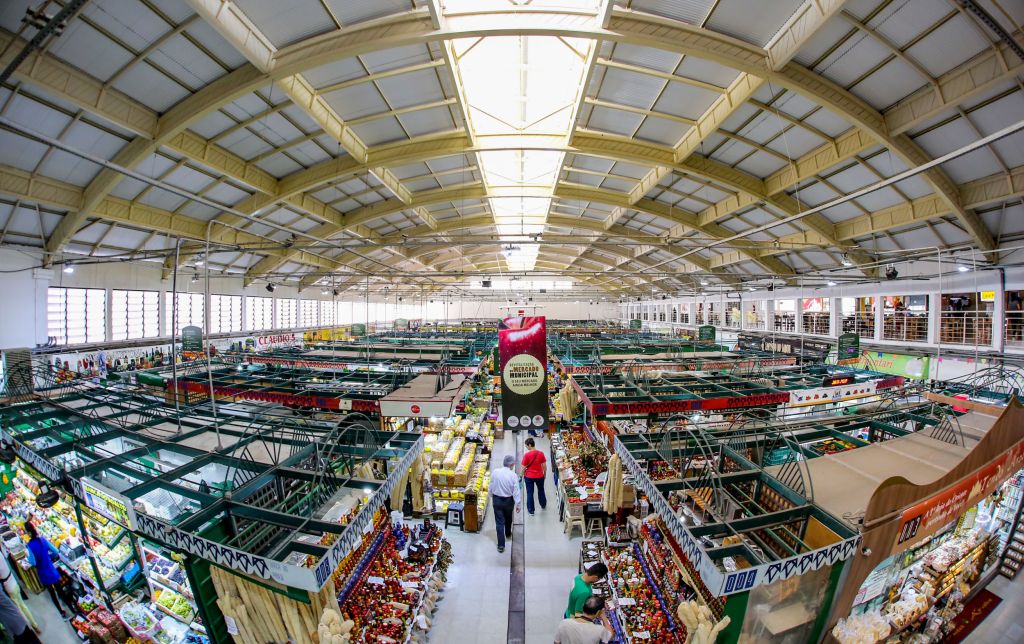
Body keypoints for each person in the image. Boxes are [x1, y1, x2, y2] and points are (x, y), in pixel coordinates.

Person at [24, 522, 68, 618]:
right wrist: (48, 557)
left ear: (28, 533)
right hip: (51, 569)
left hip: (43, 572)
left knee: (52, 593)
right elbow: (56, 551)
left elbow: (33, 562)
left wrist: (27, 557)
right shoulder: (43, 540)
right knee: (59, 589)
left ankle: (61, 612)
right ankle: (70, 607)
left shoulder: (30, 546)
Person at [490, 455, 521, 553]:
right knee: (508, 517)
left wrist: (491, 495)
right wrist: (518, 503)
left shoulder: (495, 472)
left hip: (497, 500)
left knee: (499, 523)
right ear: (511, 465)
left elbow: (491, 484)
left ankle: (501, 545)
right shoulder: (513, 475)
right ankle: (508, 532)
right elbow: (516, 490)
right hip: (508, 501)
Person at [521, 438, 547, 515]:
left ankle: (531, 510)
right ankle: (543, 504)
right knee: (541, 490)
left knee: (529, 493)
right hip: (539, 476)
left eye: (526, 446)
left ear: (529, 445)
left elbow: (523, 467)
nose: (526, 448)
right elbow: (544, 466)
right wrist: (544, 475)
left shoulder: (527, 455)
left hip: (529, 477)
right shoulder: (541, 453)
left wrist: (520, 475)